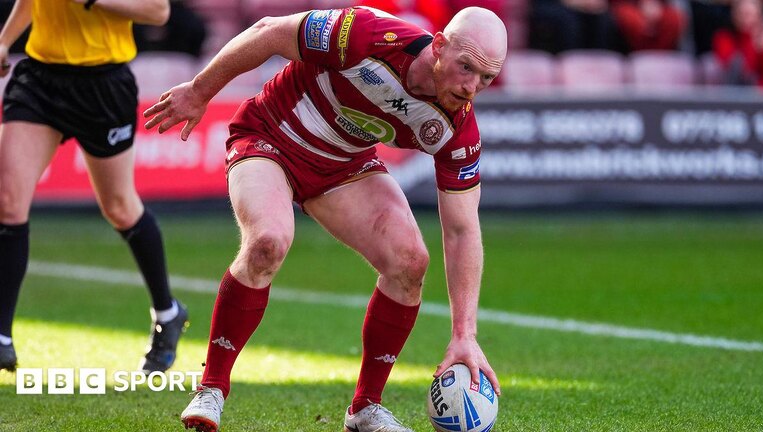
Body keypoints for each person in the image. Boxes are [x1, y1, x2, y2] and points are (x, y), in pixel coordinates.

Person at [144, 5, 505, 432]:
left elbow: (463, 230)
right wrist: (200, 91)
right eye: (466, 68)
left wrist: (465, 334)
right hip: (270, 138)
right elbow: (267, 32)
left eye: (486, 78)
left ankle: (365, 408)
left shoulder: (457, 128)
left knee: (410, 261)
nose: (471, 87)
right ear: (440, 45)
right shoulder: (366, 34)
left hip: (342, 167)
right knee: (268, 242)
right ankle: (212, 389)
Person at [0, 0, 189, 374]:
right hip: (40, 79)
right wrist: (4, 39)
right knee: (7, 202)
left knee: (119, 206)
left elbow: (159, 12)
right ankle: (2, 337)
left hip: (103, 86)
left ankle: (167, 312)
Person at [712, 0, 763, 86]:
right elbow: (740, 70)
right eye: (741, 13)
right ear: (733, 14)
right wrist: (752, 42)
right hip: (733, 91)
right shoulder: (724, 37)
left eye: (748, 14)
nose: (745, 20)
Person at [610, 0, 687, 53]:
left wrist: (654, 5)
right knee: (628, 17)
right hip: (629, 6)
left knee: (674, 18)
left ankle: (657, 58)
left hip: (659, 7)